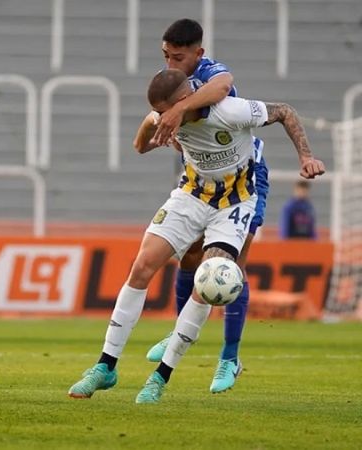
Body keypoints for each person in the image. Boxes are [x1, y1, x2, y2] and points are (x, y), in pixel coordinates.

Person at [67, 69, 325, 404]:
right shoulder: (166, 115)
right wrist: (151, 127)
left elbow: (284, 111)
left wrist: (305, 156)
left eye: (165, 111)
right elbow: (139, 145)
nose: (162, 117)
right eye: (158, 112)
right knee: (142, 266)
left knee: (209, 281)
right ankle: (106, 367)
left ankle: (160, 378)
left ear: (182, 102)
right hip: (191, 195)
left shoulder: (228, 111)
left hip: (234, 202)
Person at [144, 18, 271, 394]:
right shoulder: (174, 82)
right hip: (201, 180)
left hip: (245, 178)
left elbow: (222, 89)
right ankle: (179, 330)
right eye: (165, 56)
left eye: (177, 57)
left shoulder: (211, 73)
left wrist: (178, 111)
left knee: (229, 269)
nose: (170, 65)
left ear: (197, 55)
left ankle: (230, 357)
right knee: (187, 260)